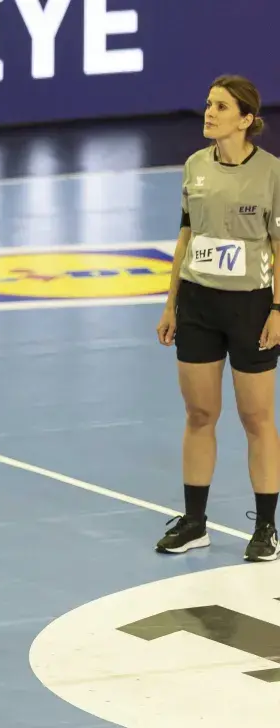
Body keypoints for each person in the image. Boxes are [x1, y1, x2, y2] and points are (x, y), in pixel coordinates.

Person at [155, 74, 280, 561]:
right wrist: (171, 303)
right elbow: (186, 237)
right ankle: (194, 522)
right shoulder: (194, 166)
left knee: (256, 418)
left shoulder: (271, 173)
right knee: (200, 414)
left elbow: (277, 244)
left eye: (221, 107)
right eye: (208, 104)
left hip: (251, 308)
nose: (209, 113)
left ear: (246, 120)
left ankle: (267, 528)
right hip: (199, 305)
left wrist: (277, 308)